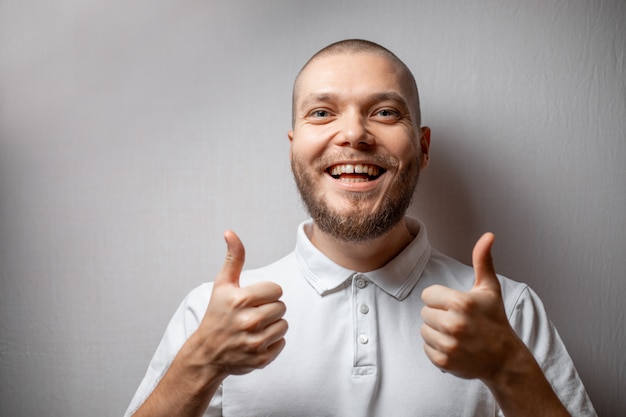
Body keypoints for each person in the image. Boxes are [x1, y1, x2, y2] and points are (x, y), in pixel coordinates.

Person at [125, 39, 596, 417]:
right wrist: (200, 364)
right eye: (322, 112)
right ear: (294, 148)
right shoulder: (213, 315)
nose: (354, 134)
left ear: (423, 146)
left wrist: (509, 368)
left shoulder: (507, 312)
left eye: (385, 112)